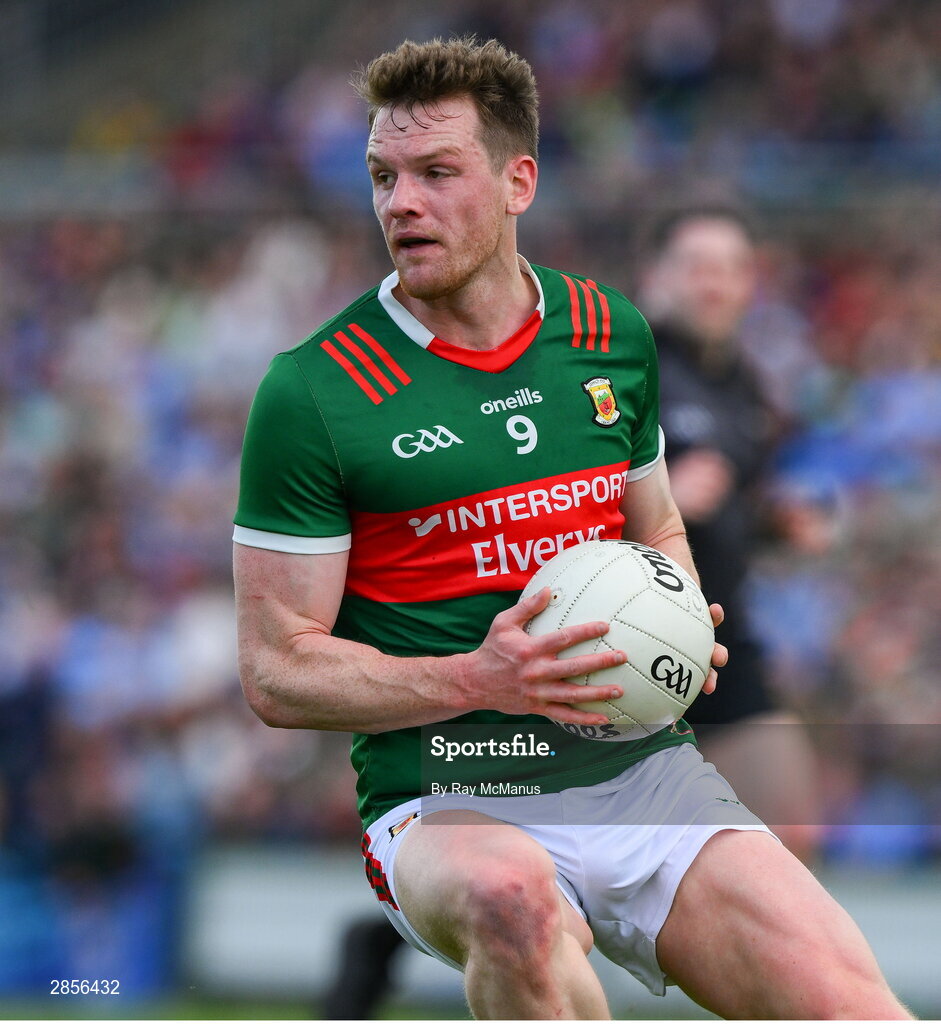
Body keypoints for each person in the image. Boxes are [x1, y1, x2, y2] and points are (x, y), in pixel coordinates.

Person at [233, 36, 908, 1020]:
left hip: (639, 774)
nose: (398, 203)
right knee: (514, 902)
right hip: (444, 794)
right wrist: (477, 678)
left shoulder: (609, 334)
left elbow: (659, 524)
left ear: (518, 182)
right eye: (382, 175)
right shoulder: (314, 389)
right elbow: (273, 668)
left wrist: (680, 624)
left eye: (434, 173)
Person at [639, 204, 821, 863]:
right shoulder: (620, 368)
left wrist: (776, 523)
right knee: (572, 866)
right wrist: (661, 500)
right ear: (655, 275)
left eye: (728, 269)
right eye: (695, 267)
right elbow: (553, 499)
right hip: (625, 635)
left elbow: (730, 507)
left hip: (717, 638)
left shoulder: (744, 386)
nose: (712, 284)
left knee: (788, 829)